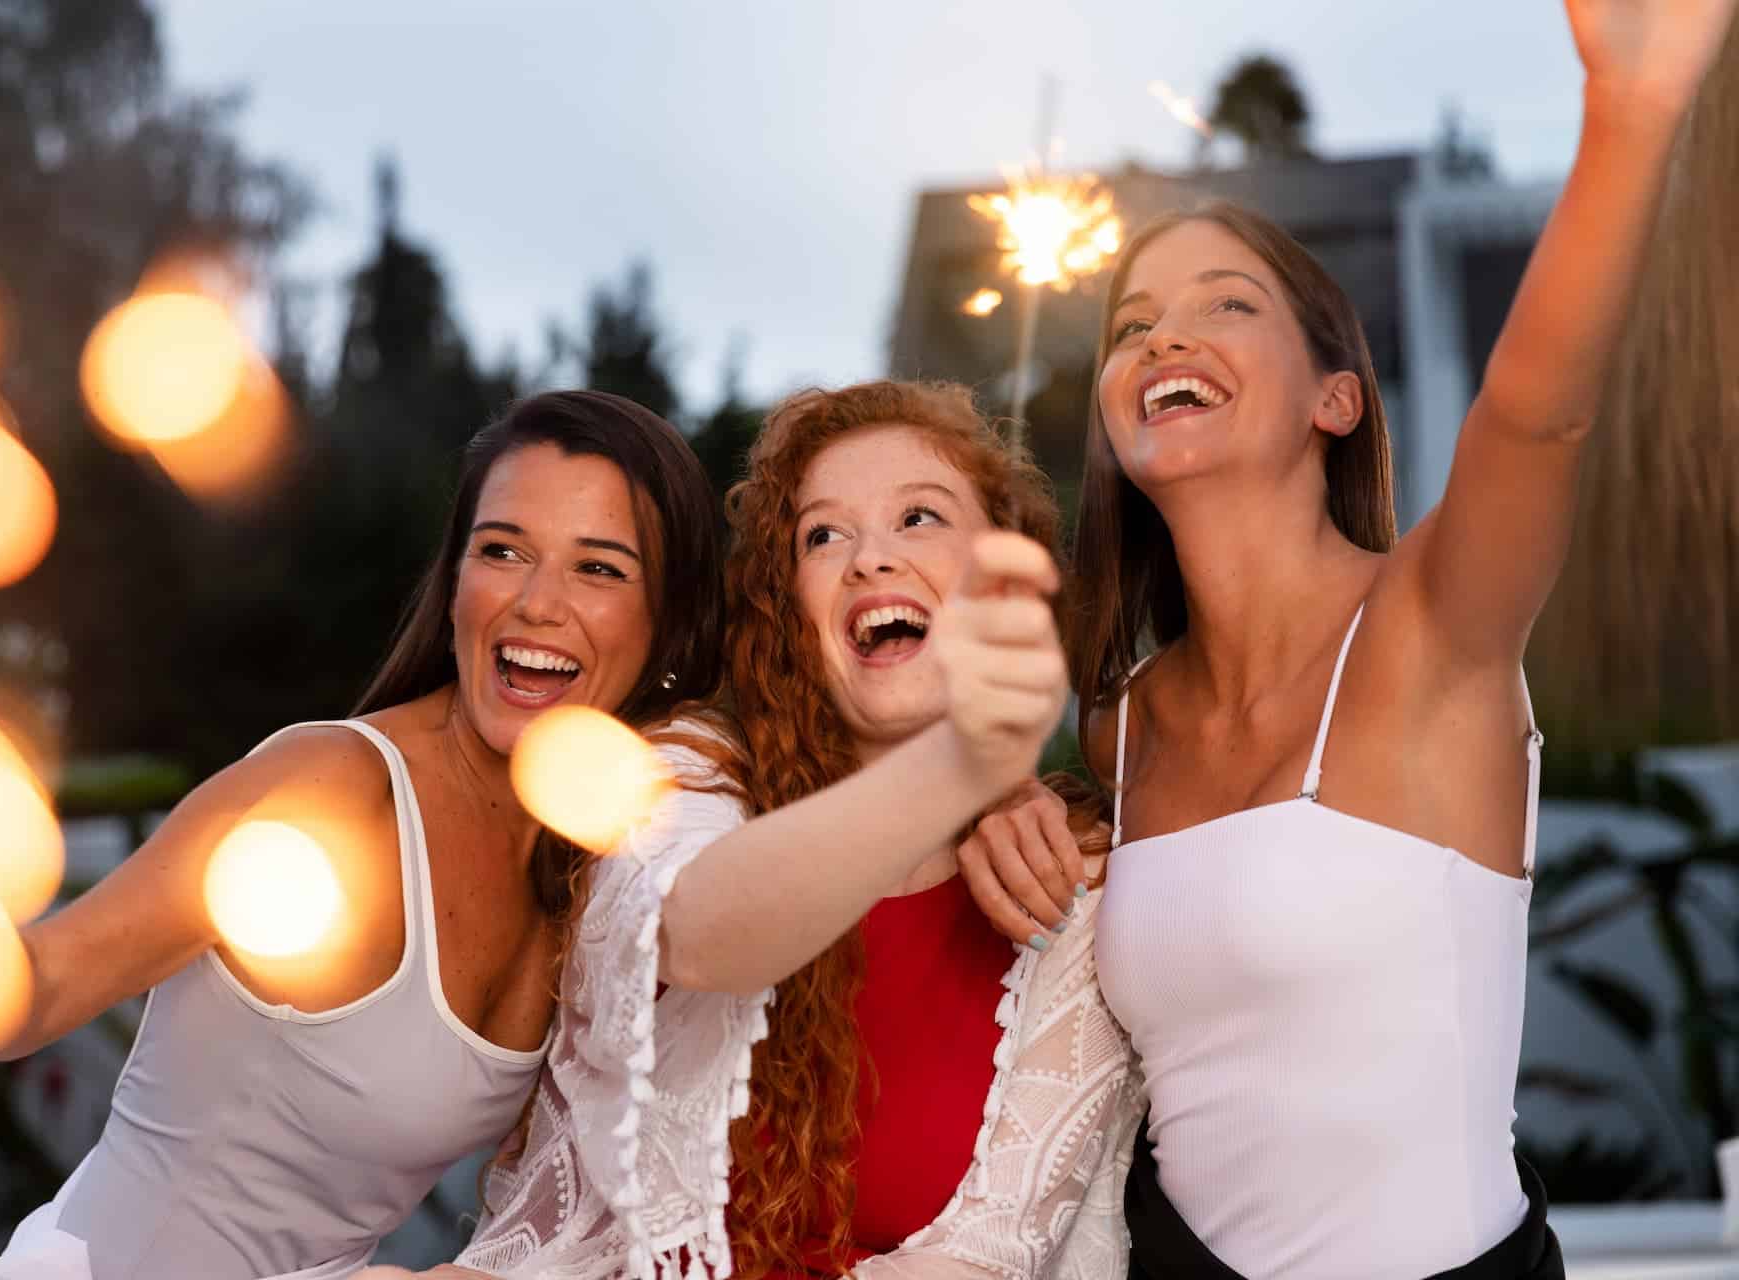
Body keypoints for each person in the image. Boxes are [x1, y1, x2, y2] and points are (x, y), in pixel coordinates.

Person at [958, 4, 1739, 1277]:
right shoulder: (1118, 723)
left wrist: (1631, 115)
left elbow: (1537, 419)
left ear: (1337, 398)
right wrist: (990, 811)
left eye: (1225, 303)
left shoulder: (1433, 630)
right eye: (1132, 322)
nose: (1164, 335)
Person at [365, 380, 1139, 1280]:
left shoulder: (1068, 882)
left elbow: (986, 1255)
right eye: (823, 535)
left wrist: (992, 785)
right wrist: (961, 771)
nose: (870, 560)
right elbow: (695, 932)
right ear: (788, 614)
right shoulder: (689, 769)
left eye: (919, 518)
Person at [0, 391, 726, 1280]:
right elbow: (32, 992)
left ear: (665, 623)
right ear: (455, 584)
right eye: (502, 551)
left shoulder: (597, 872)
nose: (535, 601)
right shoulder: (331, 790)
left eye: (598, 569)